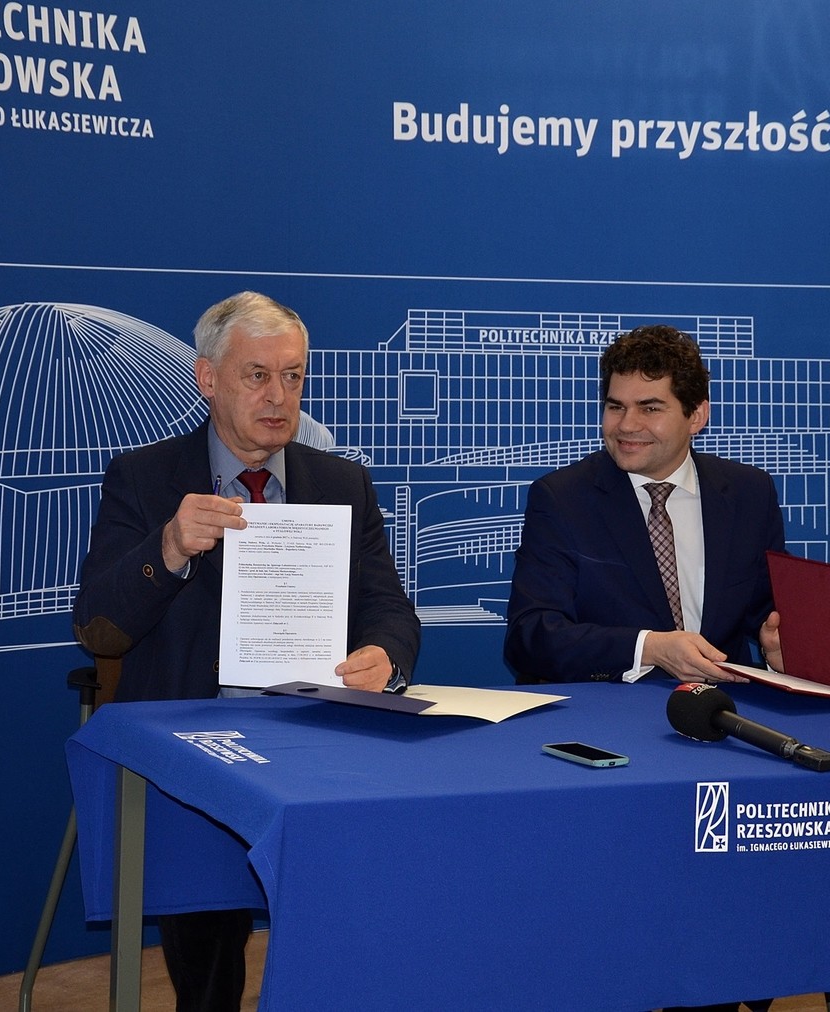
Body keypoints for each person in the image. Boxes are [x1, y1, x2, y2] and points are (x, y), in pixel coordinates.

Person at [73, 290, 421, 1011]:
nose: (278, 396)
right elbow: (100, 630)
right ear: (208, 378)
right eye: (257, 375)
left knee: (359, 920)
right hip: (195, 749)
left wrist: (385, 655)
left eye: (293, 377)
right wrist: (169, 548)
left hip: (316, 738)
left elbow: (390, 609)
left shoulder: (341, 481)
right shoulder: (144, 479)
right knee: (208, 957)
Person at [505, 323, 785, 688]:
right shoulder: (562, 498)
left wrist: (780, 649)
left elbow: (768, 615)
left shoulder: (749, 493)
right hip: (611, 708)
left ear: (696, 416)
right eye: (615, 407)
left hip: (722, 708)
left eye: (650, 408)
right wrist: (648, 649)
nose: (626, 425)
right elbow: (531, 637)